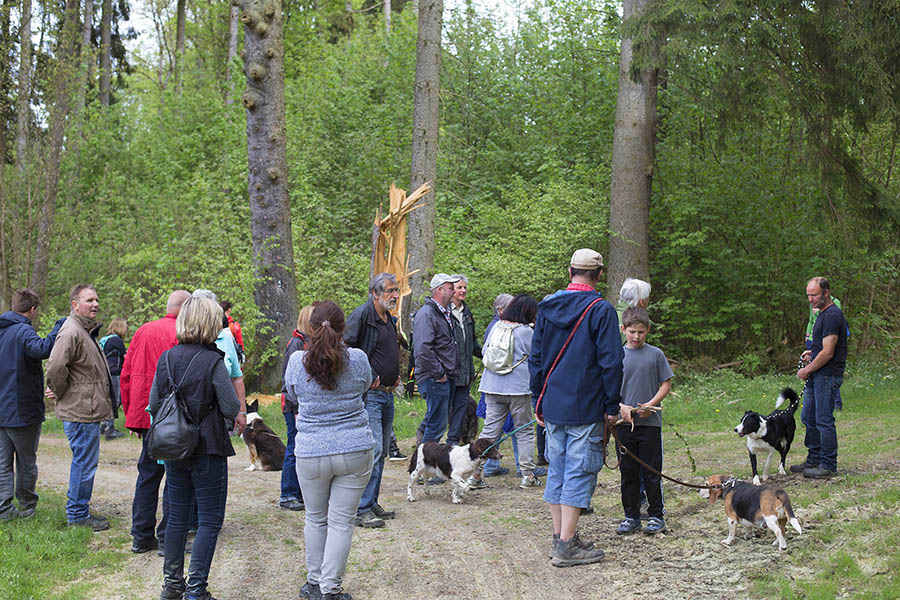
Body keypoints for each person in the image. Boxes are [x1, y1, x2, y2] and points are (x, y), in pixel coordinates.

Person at [529, 249, 624, 568]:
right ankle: (567, 545)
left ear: (570, 271)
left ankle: (561, 537)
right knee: (580, 472)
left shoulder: (547, 307)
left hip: (553, 404)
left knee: (557, 469)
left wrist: (537, 398)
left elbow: (537, 358)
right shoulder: (602, 310)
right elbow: (611, 362)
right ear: (598, 276)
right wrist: (612, 406)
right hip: (586, 405)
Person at [148, 296, 239, 600]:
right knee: (210, 520)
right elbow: (230, 405)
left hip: (174, 449)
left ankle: (172, 585)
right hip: (208, 448)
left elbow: (153, 404)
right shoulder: (213, 360)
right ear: (210, 323)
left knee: (176, 518)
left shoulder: (167, 358)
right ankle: (196, 590)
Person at [284, 301, 374, 600]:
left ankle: (314, 583)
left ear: (310, 328)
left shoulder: (297, 361)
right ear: (342, 327)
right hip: (354, 447)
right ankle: (330, 590)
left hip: (311, 450)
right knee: (341, 522)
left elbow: (293, 394)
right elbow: (364, 387)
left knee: (315, 517)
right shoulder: (358, 359)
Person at [120, 290, 191, 554]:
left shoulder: (143, 331)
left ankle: (140, 536)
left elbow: (127, 375)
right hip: (174, 418)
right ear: (186, 308)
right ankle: (168, 539)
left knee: (147, 476)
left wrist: (133, 417)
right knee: (176, 477)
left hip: (147, 416)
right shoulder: (183, 334)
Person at [46, 284, 116, 531]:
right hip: (80, 410)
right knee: (84, 464)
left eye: (97, 299)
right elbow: (55, 367)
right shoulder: (72, 331)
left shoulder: (84, 330)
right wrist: (62, 392)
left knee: (85, 463)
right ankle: (77, 516)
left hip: (86, 409)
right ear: (75, 304)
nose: (95, 304)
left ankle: (79, 510)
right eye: (89, 300)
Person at [0, 289, 65, 520]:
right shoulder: (22, 331)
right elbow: (42, 349)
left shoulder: (3, 331)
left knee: (3, 463)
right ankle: (27, 506)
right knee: (26, 462)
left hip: (2, 411)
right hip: (21, 410)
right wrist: (59, 326)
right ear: (33, 309)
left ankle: (4, 509)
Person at [344, 273, 402, 529]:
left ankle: (372, 501)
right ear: (375, 294)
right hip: (371, 396)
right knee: (372, 450)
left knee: (382, 452)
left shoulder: (388, 318)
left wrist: (395, 373)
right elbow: (345, 348)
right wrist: (366, 375)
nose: (395, 295)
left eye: (396, 290)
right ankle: (361, 508)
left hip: (388, 394)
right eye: (390, 291)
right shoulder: (362, 316)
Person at [614, 307, 674, 536]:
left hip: (650, 424)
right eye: (632, 331)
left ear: (648, 330)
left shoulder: (655, 354)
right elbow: (608, 389)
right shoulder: (616, 356)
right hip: (623, 425)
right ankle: (631, 516)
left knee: (652, 471)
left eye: (641, 332)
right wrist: (621, 407)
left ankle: (656, 515)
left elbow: (666, 383)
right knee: (628, 472)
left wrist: (650, 404)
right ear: (623, 330)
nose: (636, 336)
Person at [474, 294, 542, 489]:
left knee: (489, 431)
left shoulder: (496, 327)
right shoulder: (525, 332)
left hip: (491, 386)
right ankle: (528, 475)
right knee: (525, 431)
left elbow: (485, 353)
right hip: (518, 388)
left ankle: (475, 474)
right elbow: (538, 356)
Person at [793, 277, 848, 479]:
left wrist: (807, 370)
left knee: (824, 420)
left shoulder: (833, 315)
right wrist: (811, 354)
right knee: (808, 416)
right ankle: (814, 458)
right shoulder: (822, 315)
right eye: (808, 295)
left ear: (826, 293)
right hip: (817, 374)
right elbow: (821, 349)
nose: (810, 299)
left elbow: (828, 353)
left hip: (827, 375)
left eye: (814, 295)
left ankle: (828, 465)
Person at [413, 274, 460, 444]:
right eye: (450, 288)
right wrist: (439, 373)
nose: (454, 291)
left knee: (436, 419)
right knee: (437, 424)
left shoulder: (444, 313)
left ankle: (422, 457)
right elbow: (422, 349)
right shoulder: (426, 314)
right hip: (434, 378)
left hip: (444, 376)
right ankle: (425, 463)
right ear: (439, 290)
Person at [193, 290, 247, 434]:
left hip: (220, 420)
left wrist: (241, 411)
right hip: (188, 422)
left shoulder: (226, 338)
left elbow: (237, 376)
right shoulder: (181, 341)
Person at [278, 303, 315, 512]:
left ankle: (300, 492)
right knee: (293, 449)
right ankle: (288, 494)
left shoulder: (310, 342)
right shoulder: (296, 344)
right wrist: (295, 407)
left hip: (305, 406)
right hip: (293, 407)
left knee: (303, 451)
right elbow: (287, 380)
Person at [448, 275, 482, 446]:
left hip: (465, 373)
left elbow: (473, 343)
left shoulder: (467, 313)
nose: (463, 291)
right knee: (442, 412)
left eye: (464, 288)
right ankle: (425, 441)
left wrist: (487, 355)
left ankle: (453, 445)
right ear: (450, 290)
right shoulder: (444, 312)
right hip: (447, 374)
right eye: (459, 287)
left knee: (460, 412)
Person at [805, 295, 845, 410]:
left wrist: (818, 312)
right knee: (814, 375)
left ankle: (836, 403)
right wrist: (807, 335)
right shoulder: (812, 303)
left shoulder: (835, 302)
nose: (811, 298)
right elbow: (811, 320)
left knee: (827, 374)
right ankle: (815, 404)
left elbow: (833, 321)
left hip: (826, 339)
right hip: (812, 341)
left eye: (815, 294)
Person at [98, 318, 128, 440]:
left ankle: (103, 425)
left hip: (104, 372)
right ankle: (110, 429)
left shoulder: (105, 339)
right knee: (115, 399)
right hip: (114, 372)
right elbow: (126, 357)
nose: (126, 329)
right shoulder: (117, 340)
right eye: (125, 326)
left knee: (108, 399)